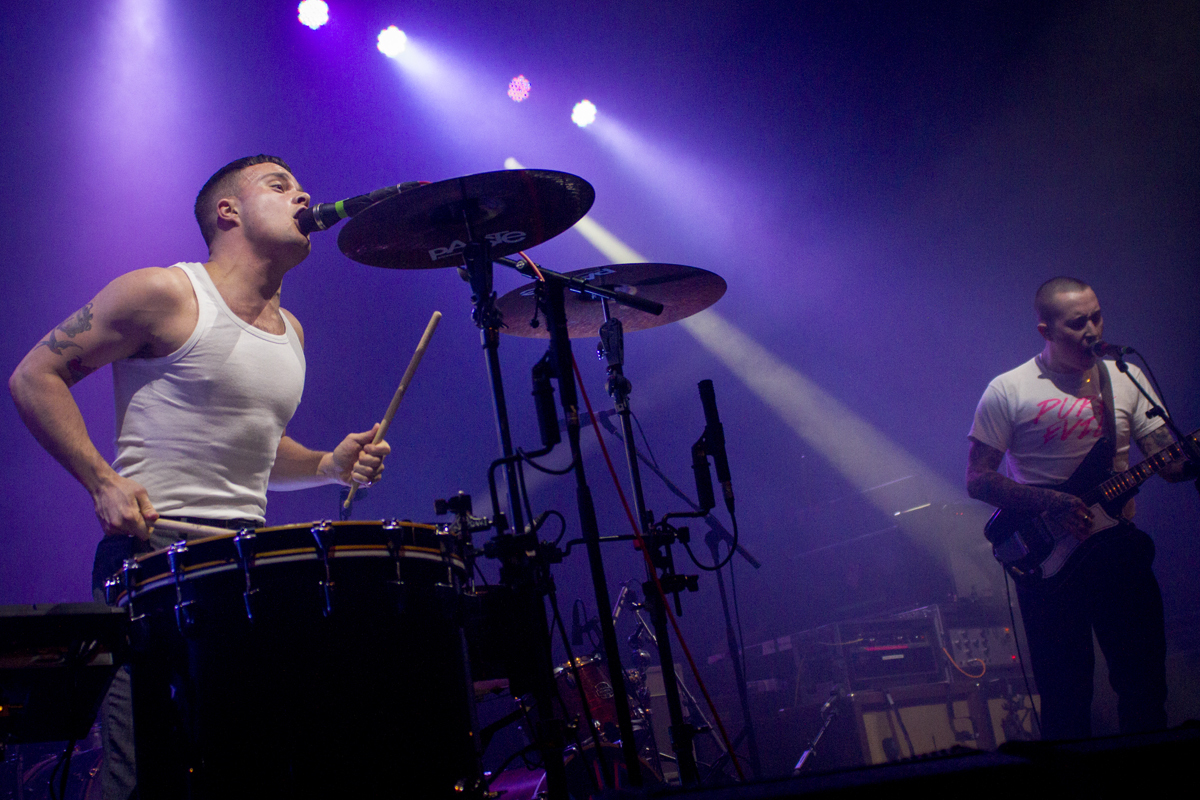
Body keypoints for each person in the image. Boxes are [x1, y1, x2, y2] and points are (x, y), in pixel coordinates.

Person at [8, 154, 391, 797]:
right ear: (228, 211)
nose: (304, 196)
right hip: (153, 556)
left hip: (249, 561)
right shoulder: (162, 293)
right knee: (146, 777)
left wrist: (327, 465)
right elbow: (33, 377)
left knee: (249, 770)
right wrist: (103, 480)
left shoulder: (291, 331)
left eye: (302, 185)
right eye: (280, 186)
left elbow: (256, 454)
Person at [966, 276, 1195, 740]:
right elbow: (977, 479)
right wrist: (1052, 500)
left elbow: (1167, 465)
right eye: (1076, 323)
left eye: (1097, 316)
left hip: (1117, 551)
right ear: (1045, 330)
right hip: (1048, 556)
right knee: (1067, 697)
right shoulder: (1009, 389)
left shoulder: (1125, 378)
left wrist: (1189, 456)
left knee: (1144, 686)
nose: (1091, 329)